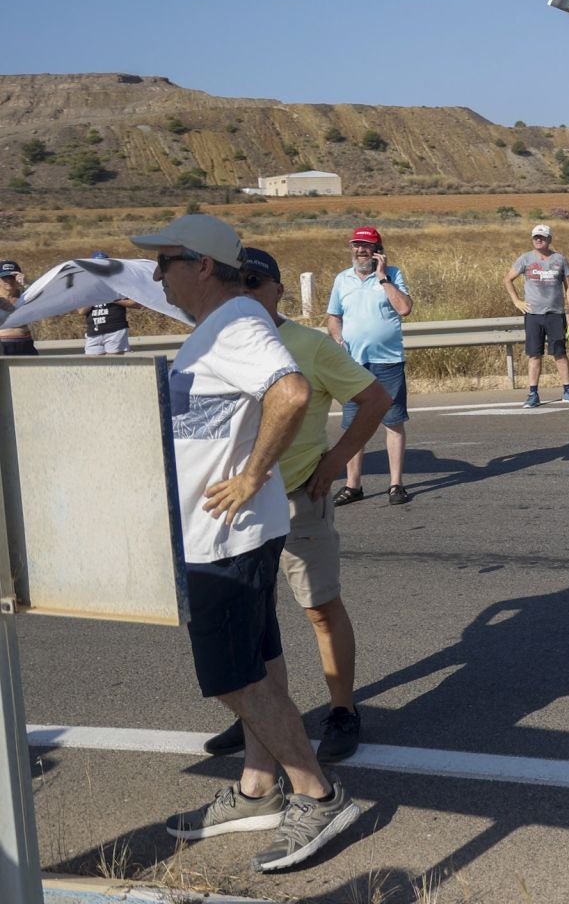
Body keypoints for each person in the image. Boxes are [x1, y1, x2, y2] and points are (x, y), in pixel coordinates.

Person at [130, 214, 363, 872]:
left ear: (202, 265)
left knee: (235, 681)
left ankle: (317, 793)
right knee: (258, 663)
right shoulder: (219, 326)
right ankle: (259, 785)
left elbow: (289, 394)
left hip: (224, 538)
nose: (156, 274)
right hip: (236, 532)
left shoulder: (234, 324)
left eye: (166, 260)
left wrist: (253, 475)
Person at [203, 247, 391, 766]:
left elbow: (375, 399)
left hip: (295, 499)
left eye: (253, 283)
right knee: (251, 617)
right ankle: (261, 715)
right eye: (234, 283)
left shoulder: (308, 344)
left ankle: (343, 711)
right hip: (235, 507)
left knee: (320, 608)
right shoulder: (217, 343)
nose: (243, 292)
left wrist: (334, 464)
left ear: (277, 290)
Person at [328, 227, 414, 507]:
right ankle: (353, 486)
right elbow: (333, 316)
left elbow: (404, 309)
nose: (361, 250)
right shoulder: (342, 279)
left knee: (393, 422)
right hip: (353, 364)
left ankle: (396, 484)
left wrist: (383, 277)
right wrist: (337, 336)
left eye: (367, 245)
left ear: (377, 248)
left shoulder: (394, 274)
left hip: (388, 362)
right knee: (354, 425)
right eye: (356, 245)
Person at [506, 224, 569, 408]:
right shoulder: (525, 259)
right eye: (535, 237)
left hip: (555, 314)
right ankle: (533, 394)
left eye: (542, 237)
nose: (538, 240)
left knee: (560, 354)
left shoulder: (559, 259)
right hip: (533, 315)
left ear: (549, 239)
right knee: (534, 355)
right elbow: (507, 279)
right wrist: (517, 301)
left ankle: (568, 391)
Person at [83, 250, 136, 355]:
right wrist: (95, 297)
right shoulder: (87, 286)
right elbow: (81, 310)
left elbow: (136, 303)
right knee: (92, 367)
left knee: (116, 365)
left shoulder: (119, 283)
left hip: (115, 330)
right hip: (94, 332)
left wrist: (112, 298)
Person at [0, 260, 34, 356]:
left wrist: (26, 284)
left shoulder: (25, 295)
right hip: (2, 345)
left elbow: (44, 300)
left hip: (25, 343)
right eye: (4, 277)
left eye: (12, 277)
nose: (9, 280)